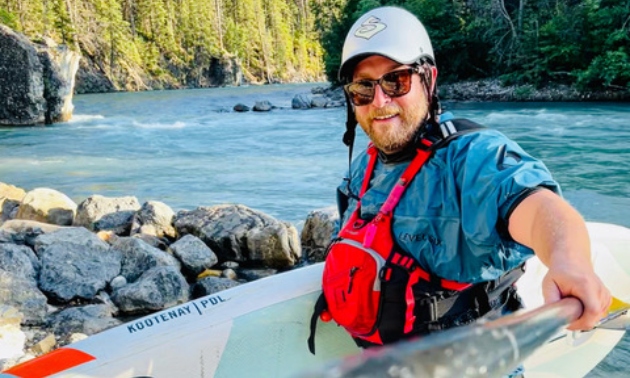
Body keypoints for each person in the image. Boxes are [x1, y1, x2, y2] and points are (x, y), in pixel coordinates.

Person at [315, 5, 611, 360]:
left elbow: (537, 207)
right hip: (383, 364)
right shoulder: (363, 167)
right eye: (364, 87)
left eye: (397, 80)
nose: (380, 101)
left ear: (429, 79)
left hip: (475, 365)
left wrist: (570, 262)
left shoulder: (471, 157)